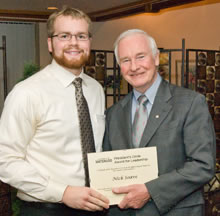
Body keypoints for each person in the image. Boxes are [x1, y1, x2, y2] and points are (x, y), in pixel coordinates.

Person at [0, 7, 109, 216]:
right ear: (50, 43)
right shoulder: (27, 93)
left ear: (89, 42)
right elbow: (5, 161)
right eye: (64, 36)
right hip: (45, 209)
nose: (74, 43)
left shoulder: (95, 89)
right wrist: (63, 192)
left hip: (95, 207)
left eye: (81, 36)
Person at [103, 29, 216, 216]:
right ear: (119, 66)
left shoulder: (190, 103)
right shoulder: (113, 114)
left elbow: (202, 165)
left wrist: (150, 190)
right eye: (125, 60)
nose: (134, 66)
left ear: (156, 58)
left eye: (140, 57)